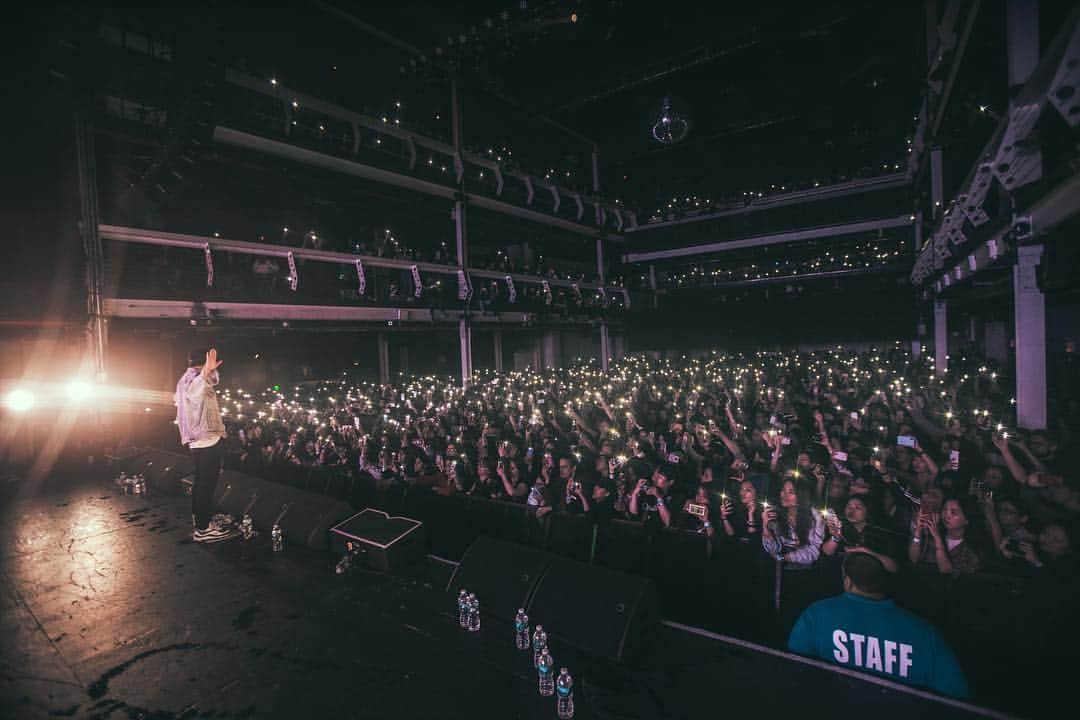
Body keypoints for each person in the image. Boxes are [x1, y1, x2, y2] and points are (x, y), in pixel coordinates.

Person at [787, 551, 969, 698]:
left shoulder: (816, 614)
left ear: (848, 582)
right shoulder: (925, 633)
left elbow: (794, 673)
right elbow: (956, 694)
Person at [175, 347, 238, 543]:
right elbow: (196, 391)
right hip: (206, 439)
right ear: (202, 364)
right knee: (206, 484)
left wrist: (206, 373)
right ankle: (203, 529)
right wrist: (205, 373)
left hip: (199, 440)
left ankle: (200, 521)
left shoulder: (185, 380)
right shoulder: (194, 379)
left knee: (201, 483)